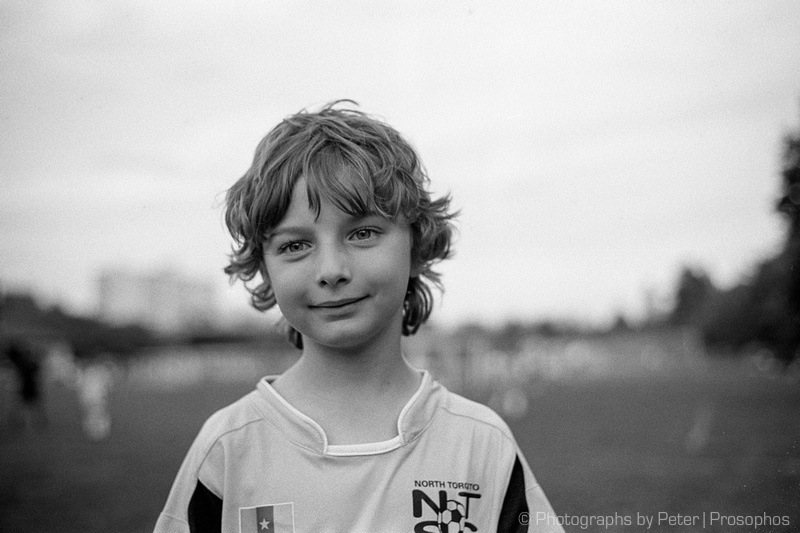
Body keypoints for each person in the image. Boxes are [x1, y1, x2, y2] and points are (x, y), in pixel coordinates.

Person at [155, 101, 562, 533]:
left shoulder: (482, 445)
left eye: (362, 233)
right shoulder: (227, 450)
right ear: (264, 268)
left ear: (416, 246)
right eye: (295, 245)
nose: (331, 270)